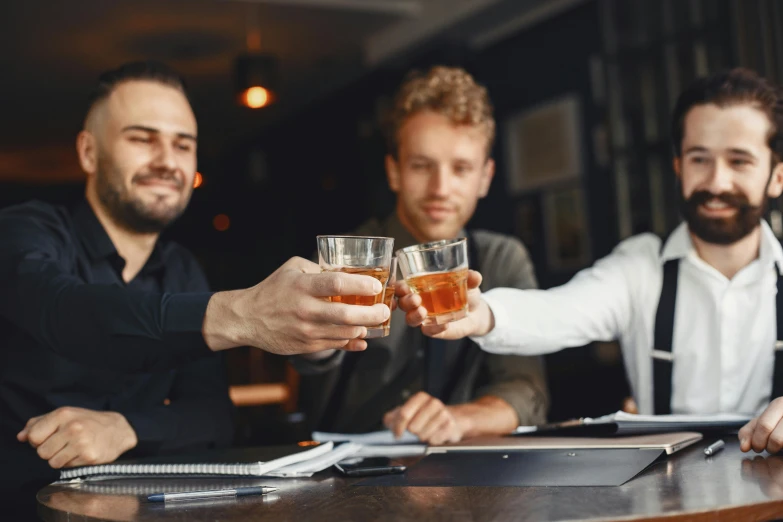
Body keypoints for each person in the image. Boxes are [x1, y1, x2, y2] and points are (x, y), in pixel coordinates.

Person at [0, 61, 389, 515]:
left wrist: (127, 427)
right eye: (142, 138)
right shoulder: (24, 231)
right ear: (89, 152)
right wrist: (241, 314)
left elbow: (214, 417)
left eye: (182, 144)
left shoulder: (181, 268)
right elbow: (64, 311)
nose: (167, 161)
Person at [399, 67, 783, 454]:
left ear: (777, 176)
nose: (717, 182)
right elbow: (558, 310)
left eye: (739, 161)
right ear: (679, 167)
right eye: (700, 159)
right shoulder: (641, 267)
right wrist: (482, 315)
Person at [294, 66, 548, 445]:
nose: (440, 188)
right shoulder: (342, 259)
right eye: (421, 166)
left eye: (461, 168)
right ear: (394, 172)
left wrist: (458, 419)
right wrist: (310, 338)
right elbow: (311, 372)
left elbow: (529, 393)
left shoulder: (501, 258)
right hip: (345, 475)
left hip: (465, 478)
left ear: (485, 178)